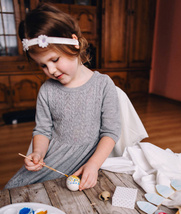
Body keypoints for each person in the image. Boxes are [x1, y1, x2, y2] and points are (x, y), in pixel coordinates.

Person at [5, 3, 121, 191]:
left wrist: (93, 165)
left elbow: (111, 132)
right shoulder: (47, 91)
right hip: (54, 162)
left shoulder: (103, 84)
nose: (50, 70)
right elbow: (43, 130)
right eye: (42, 65)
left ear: (74, 42)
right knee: (13, 190)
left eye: (54, 60)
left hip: (88, 163)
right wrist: (37, 153)